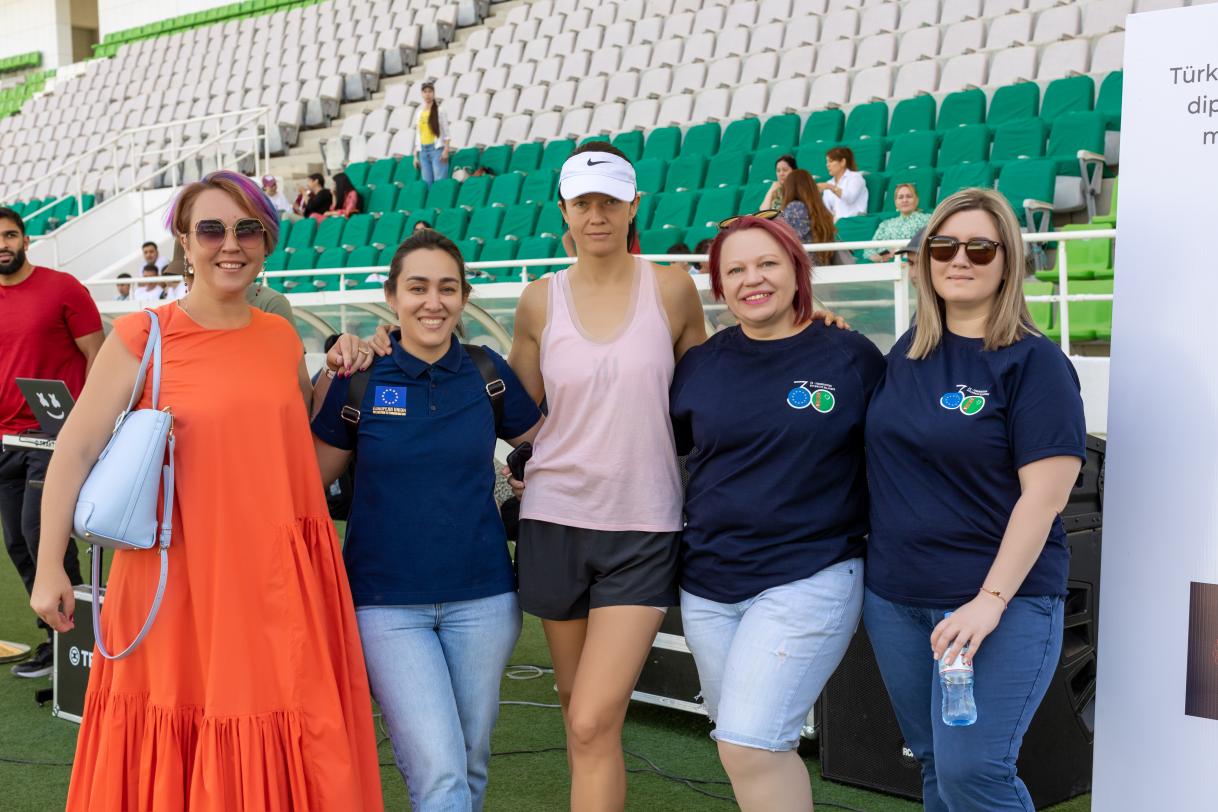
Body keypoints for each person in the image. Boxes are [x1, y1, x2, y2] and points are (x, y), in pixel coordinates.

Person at [30, 170, 383, 810]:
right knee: (183, 720)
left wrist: (344, 383)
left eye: (248, 229)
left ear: (267, 241)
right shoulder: (145, 335)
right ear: (184, 244)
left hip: (274, 578)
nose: (231, 244)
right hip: (176, 579)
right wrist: (50, 563)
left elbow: (289, 459)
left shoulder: (282, 338)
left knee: (275, 716)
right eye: (211, 229)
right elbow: (76, 448)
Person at [863, 188, 1086, 812]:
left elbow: (1044, 499)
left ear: (1008, 262)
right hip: (896, 602)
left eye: (980, 248)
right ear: (922, 258)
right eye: (943, 246)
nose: (959, 259)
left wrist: (989, 603)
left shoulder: (1035, 363)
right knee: (937, 764)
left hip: (998, 604)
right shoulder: (906, 353)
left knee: (974, 773)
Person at [312, 230, 543, 812]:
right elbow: (305, 481)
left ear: (464, 297)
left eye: (447, 288)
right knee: (440, 772)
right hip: (385, 605)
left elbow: (545, 450)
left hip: (485, 599)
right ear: (392, 296)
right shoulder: (359, 380)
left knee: (468, 764)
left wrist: (526, 471)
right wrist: (328, 365)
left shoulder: (489, 373)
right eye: (417, 288)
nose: (432, 302)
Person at [508, 143, 707, 811]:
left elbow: (715, 391)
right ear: (562, 209)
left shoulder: (673, 287)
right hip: (554, 521)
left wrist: (808, 325)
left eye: (610, 201)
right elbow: (516, 412)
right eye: (583, 202)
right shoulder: (537, 301)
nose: (597, 214)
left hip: (643, 528)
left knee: (592, 717)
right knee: (578, 711)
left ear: (633, 206)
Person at [670, 215, 882, 812]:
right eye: (734, 269)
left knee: (751, 744)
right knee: (745, 745)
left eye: (767, 263)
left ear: (796, 270)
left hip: (809, 576)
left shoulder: (850, 356)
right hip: (708, 588)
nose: (751, 279)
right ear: (718, 284)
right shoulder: (701, 364)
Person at [0, 205, 102, 679]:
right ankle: (56, 640)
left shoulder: (63, 288)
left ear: (25, 239)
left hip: (56, 437)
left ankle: (80, 647)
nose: (3, 244)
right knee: (18, 544)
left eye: (10, 235)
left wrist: (95, 424)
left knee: (43, 537)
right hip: (7, 439)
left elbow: (99, 358)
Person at [777, 168, 837, 266]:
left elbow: (788, 242)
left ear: (790, 188)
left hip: (803, 270)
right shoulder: (819, 210)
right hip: (820, 268)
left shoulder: (795, 208)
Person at [866, 183, 933, 262]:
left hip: (913, 262)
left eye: (909, 196)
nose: (904, 200)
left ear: (917, 200)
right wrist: (879, 258)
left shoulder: (928, 219)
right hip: (884, 266)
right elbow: (869, 250)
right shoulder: (885, 224)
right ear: (896, 203)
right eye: (900, 197)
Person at [413, 81, 450, 187]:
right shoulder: (419, 113)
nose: (427, 94)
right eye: (425, 92)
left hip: (437, 150)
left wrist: (446, 150)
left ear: (433, 93)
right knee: (427, 184)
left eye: (430, 91)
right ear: (422, 94)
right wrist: (415, 156)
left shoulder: (439, 110)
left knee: (440, 182)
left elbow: (446, 133)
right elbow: (418, 135)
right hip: (423, 152)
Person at [818, 147, 868, 221]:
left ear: (843, 162)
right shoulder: (829, 183)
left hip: (854, 222)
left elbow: (850, 198)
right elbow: (826, 209)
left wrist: (829, 187)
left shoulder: (855, 177)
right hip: (836, 224)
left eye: (831, 161)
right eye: (827, 162)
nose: (827, 165)